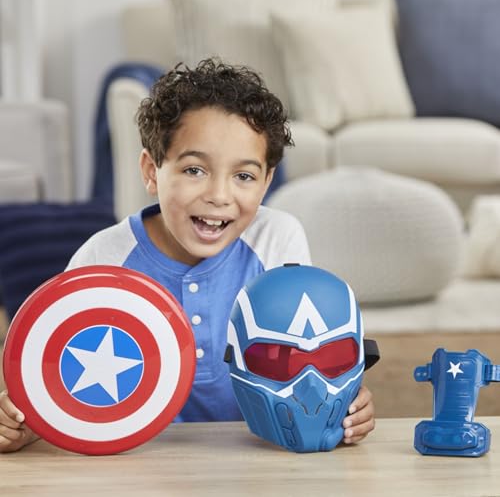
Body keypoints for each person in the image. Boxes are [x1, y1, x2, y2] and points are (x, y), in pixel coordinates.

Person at [0, 58, 374, 453]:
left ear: (266, 182)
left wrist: (342, 406)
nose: (218, 195)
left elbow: (306, 357)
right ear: (151, 171)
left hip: (255, 455)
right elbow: (56, 380)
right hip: (138, 462)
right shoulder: (104, 257)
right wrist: (28, 421)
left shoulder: (276, 238)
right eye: (195, 170)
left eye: (244, 176)